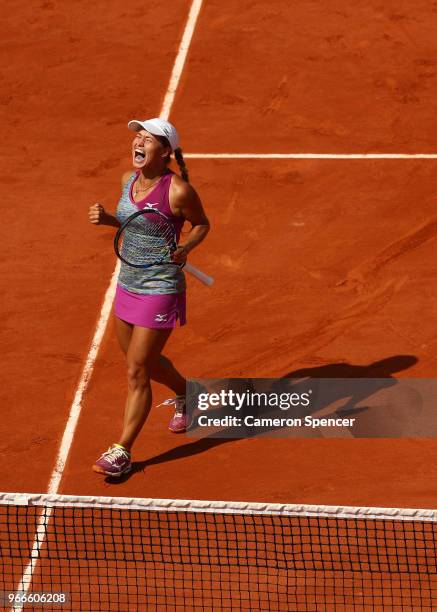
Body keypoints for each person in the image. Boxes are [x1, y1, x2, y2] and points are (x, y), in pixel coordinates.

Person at [88, 117, 210, 477]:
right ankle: (189, 393)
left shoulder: (179, 191)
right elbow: (134, 222)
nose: (138, 142)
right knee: (148, 365)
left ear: (165, 151)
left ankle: (121, 450)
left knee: (137, 371)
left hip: (160, 289)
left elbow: (202, 223)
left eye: (148, 138)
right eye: (137, 136)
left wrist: (186, 245)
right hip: (127, 284)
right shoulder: (128, 181)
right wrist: (110, 219)